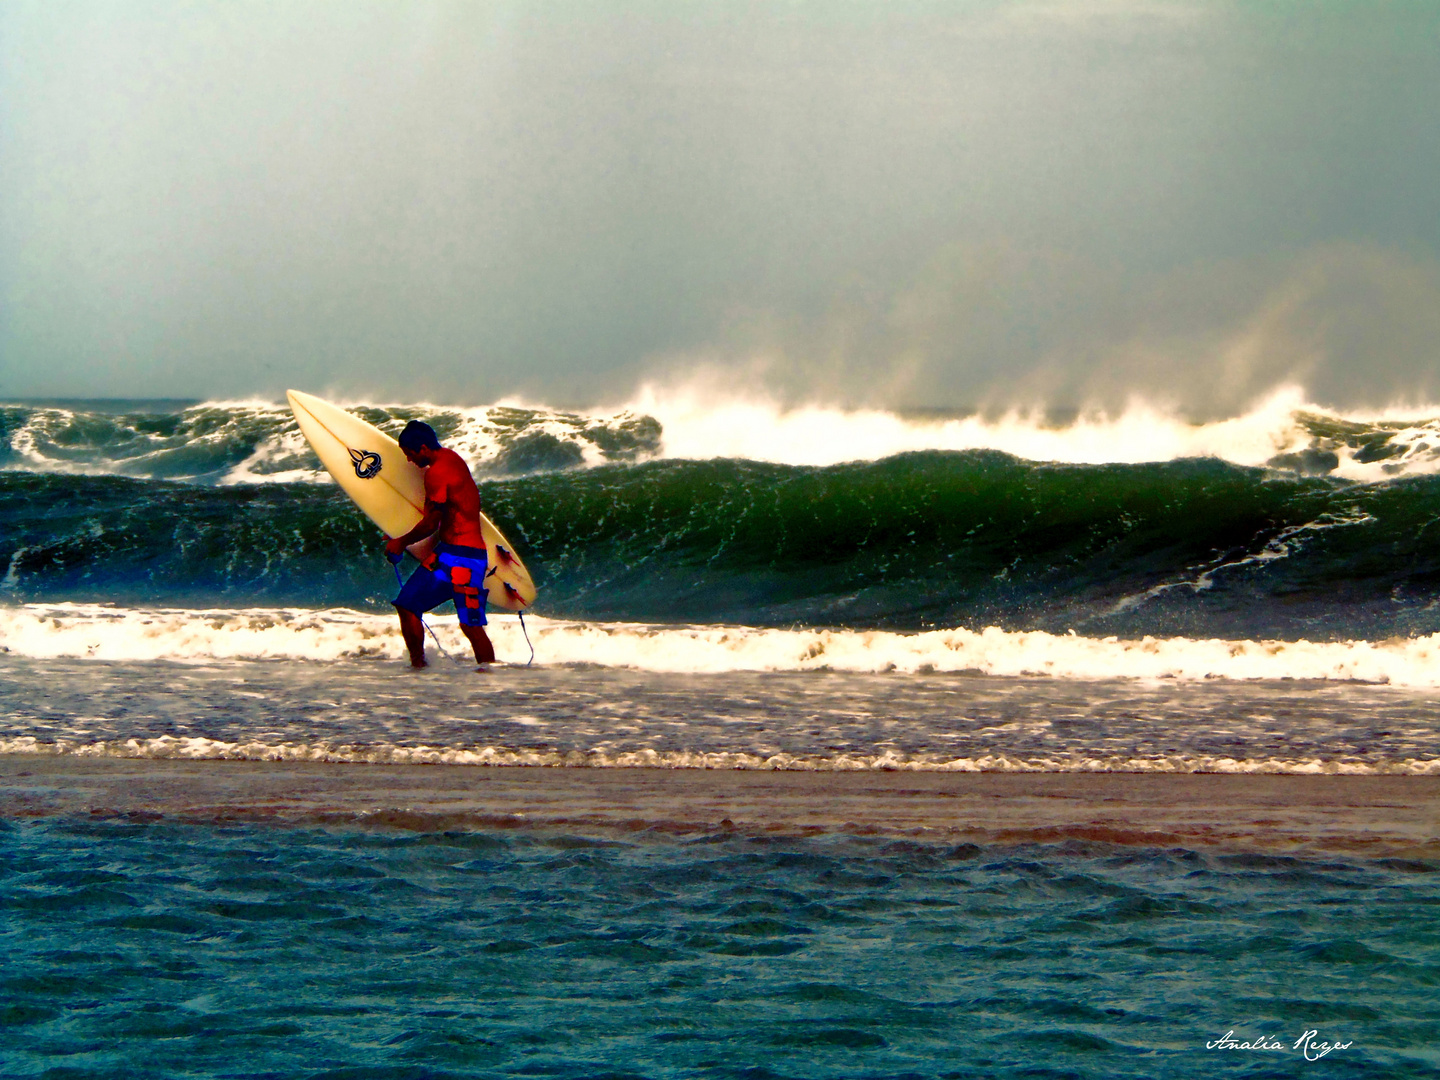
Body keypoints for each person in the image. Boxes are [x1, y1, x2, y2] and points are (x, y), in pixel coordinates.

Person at [384, 420, 496, 668]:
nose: (409, 460)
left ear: (423, 448)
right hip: (455, 554)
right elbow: (442, 515)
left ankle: (422, 667)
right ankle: (421, 668)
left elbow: (432, 522)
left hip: (461, 559)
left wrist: (401, 542)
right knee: (409, 605)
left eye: (410, 454)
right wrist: (400, 532)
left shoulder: (436, 473)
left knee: (469, 624)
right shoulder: (452, 458)